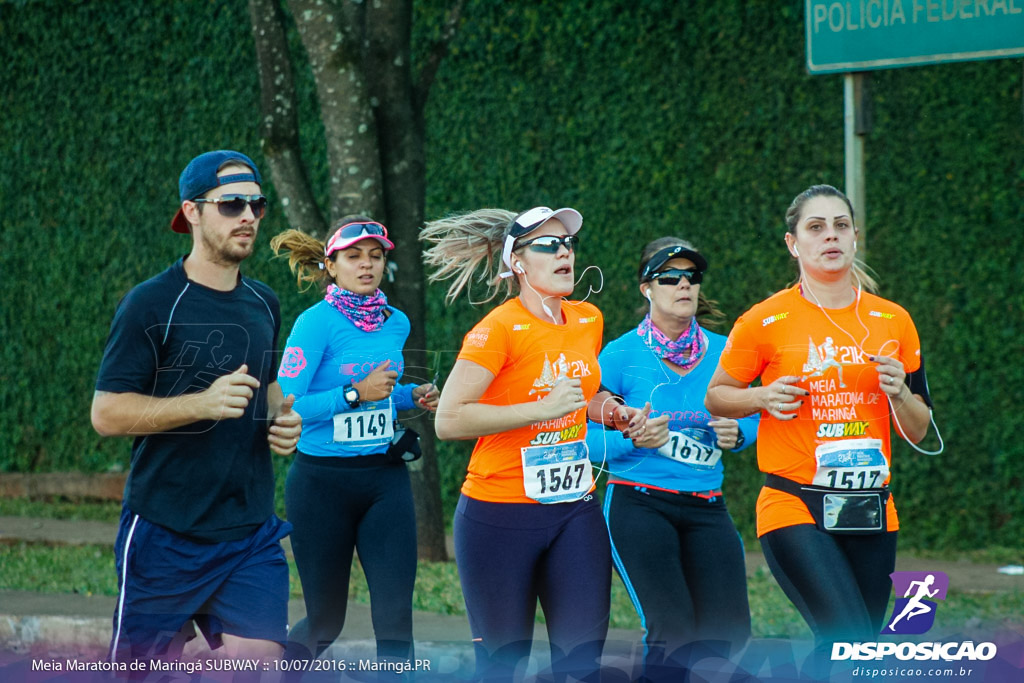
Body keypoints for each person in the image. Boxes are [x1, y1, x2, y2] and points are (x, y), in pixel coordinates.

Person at [420, 207, 651, 681]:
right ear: (518, 263)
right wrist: (540, 410)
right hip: (498, 515)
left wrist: (613, 412)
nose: (564, 251)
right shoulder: (497, 329)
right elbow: (449, 419)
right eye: (549, 245)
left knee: (582, 664)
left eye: (568, 243)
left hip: (574, 510)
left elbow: (584, 394)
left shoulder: (587, 319)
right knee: (503, 667)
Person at [91, 150, 302, 665]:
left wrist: (282, 419)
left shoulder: (263, 302)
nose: (248, 216)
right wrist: (201, 404)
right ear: (192, 212)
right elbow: (107, 413)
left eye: (256, 204)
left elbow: (265, 387)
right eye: (232, 204)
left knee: (259, 664)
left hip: (248, 532)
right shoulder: (151, 303)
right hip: (165, 531)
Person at [705, 184, 934, 647]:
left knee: (856, 648)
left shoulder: (894, 321)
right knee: (846, 634)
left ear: (854, 238)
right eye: (816, 227)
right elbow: (717, 397)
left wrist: (899, 395)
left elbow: (919, 427)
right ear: (793, 244)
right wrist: (763, 398)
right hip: (795, 505)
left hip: (870, 509)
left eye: (840, 226)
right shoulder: (764, 321)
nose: (830, 236)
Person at [586, 237, 757, 679]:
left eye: (691, 277)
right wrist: (633, 440)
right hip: (638, 502)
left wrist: (740, 433)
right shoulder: (620, 355)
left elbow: (756, 414)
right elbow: (582, 441)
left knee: (730, 633)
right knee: (674, 631)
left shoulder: (726, 350)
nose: (683, 285)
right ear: (647, 288)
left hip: (706, 505)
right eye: (669, 277)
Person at [270, 217, 439, 663]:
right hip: (321, 486)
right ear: (331, 265)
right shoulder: (315, 323)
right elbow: (287, 405)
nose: (367, 265)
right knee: (326, 622)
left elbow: (383, 395)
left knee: (396, 619)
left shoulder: (395, 321)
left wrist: (412, 395)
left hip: (384, 483)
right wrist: (354, 393)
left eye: (376, 256)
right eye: (354, 256)